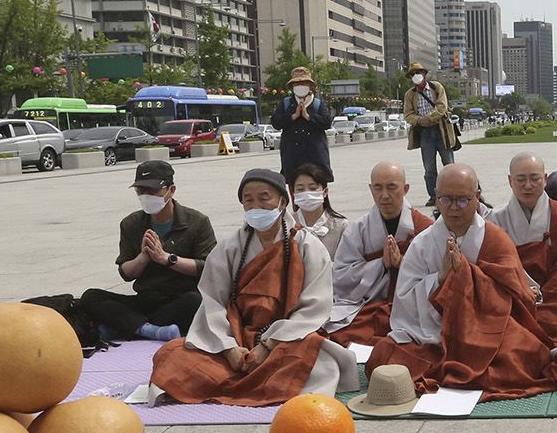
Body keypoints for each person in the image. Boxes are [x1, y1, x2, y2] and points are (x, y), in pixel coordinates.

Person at [151, 169, 354, 405]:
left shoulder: (309, 247)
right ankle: (254, 380)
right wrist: (229, 349)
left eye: (264, 197)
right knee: (170, 355)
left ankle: (245, 381)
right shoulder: (229, 248)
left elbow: (314, 307)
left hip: (284, 340)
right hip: (236, 337)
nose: (256, 205)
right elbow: (212, 303)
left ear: (283, 201)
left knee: (317, 359)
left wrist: (268, 345)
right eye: (248, 199)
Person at [370, 164, 556, 399]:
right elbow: (405, 301)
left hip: (490, 329)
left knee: (524, 356)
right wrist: (441, 278)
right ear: (436, 198)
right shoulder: (422, 243)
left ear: (477, 197)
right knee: (384, 354)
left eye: (462, 200)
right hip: (432, 332)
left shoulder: (495, 238)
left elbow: (517, 296)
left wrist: (466, 276)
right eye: (446, 200)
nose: (454, 208)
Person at [78, 159, 217, 344]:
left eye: (152, 191)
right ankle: (150, 330)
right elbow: (125, 273)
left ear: (171, 190)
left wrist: (167, 259)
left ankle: (125, 327)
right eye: (140, 191)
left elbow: (208, 267)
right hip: (145, 298)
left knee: (196, 302)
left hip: (180, 297)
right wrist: (143, 258)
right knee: (91, 297)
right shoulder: (131, 224)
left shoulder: (197, 222)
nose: (146, 196)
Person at [326, 161, 433, 345]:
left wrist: (403, 264)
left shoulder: (425, 228)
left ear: (405, 189)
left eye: (392, 187)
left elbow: (436, 277)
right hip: (369, 305)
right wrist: (380, 264)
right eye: (378, 188)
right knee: (338, 335)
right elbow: (341, 277)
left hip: (412, 308)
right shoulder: (358, 230)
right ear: (371, 189)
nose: (384, 195)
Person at [491, 151, 557, 342]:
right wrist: (522, 287)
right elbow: (493, 266)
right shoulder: (496, 219)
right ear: (510, 181)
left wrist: (547, 292)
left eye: (534, 178)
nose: (528, 186)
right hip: (515, 294)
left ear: (544, 179)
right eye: (521, 179)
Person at [402, 61, 460, 205]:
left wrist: (430, 118)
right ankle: (434, 196)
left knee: (449, 164)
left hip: (441, 130)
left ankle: (454, 192)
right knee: (429, 167)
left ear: (424, 74)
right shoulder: (410, 94)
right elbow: (408, 114)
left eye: (418, 73)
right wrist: (420, 121)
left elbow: (442, 106)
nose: (416, 76)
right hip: (424, 133)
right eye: (413, 74)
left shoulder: (436, 87)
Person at [270, 66, 334, 184]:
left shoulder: (317, 104)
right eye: (297, 84)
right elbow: (276, 122)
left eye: (304, 83)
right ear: (292, 86)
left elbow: (327, 122)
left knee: (318, 190)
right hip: (292, 156)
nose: (300, 86)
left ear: (310, 86)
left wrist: (308, 116)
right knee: (295, 189)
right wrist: (292, 116)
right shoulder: (286, 104)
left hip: (315, 156)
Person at [289, 163, 346, 257]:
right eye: (300, 189)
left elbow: (346, 262)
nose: (307, 193)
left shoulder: (341, 225)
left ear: (325, 192)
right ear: (293, 193)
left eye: (312, 188)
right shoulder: (287, 223)